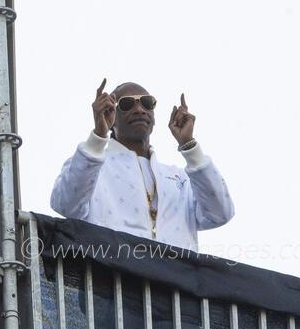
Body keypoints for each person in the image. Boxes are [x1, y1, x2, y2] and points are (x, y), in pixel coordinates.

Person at [50, 79, 234, 250]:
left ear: (153, 115)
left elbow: (220, 214)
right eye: (127, 104)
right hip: (111, 281)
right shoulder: (92, 164)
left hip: (175, 282)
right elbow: (66, 206)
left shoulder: (180, 177)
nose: (139, 109)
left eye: (147, 103)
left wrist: (190, 147)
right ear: (110, 116)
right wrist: (98, 136)